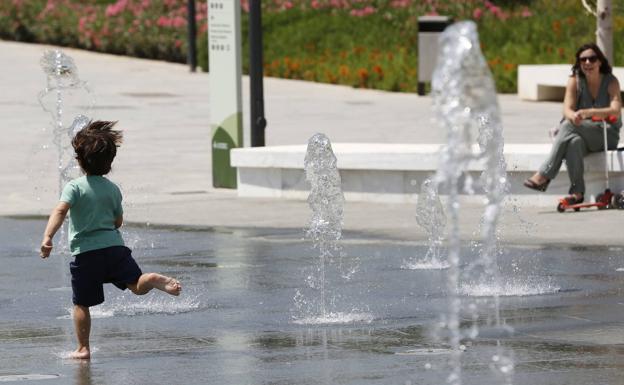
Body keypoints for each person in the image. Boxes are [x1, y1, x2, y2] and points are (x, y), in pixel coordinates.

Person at [39, 120, 182, 360]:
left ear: (79, 161)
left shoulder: (74, 187)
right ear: (110, 163)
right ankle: (150, 279)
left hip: (86, 254)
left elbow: (60, 211)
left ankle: (83, 348)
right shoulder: (113, 189)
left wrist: (47, 237)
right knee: (136, 285)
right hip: (116, 249)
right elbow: (117, 222)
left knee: (81, 304)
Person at [523, 43, 622, 203]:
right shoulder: (574, 80)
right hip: (581, 131)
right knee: (573, 142)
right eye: (583, 60)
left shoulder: (611, 82)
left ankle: (544, 174)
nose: (588, 63)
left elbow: (616, 110)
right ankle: (577, 192)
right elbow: (567, 110)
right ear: (579, 62)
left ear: (600, 62)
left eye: (592, 59)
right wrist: (574, 116)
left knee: (568, 126)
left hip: (606, 134)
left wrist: (587, 113)